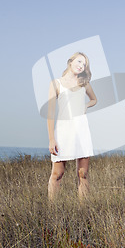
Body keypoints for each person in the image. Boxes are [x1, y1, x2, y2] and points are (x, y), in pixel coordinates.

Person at [47, 52, 97, 201]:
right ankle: (52, 210)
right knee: (57, 174)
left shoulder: (84, 84)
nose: (81, 65)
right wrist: (51, 139)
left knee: (83, 174)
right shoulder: (56, 83)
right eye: (79, 61)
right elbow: (50, 114)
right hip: (63, 132)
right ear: (71, 61)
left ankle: (83, 211)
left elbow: (94, 99)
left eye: (84, 64)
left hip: (82, 131)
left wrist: (86, 105)